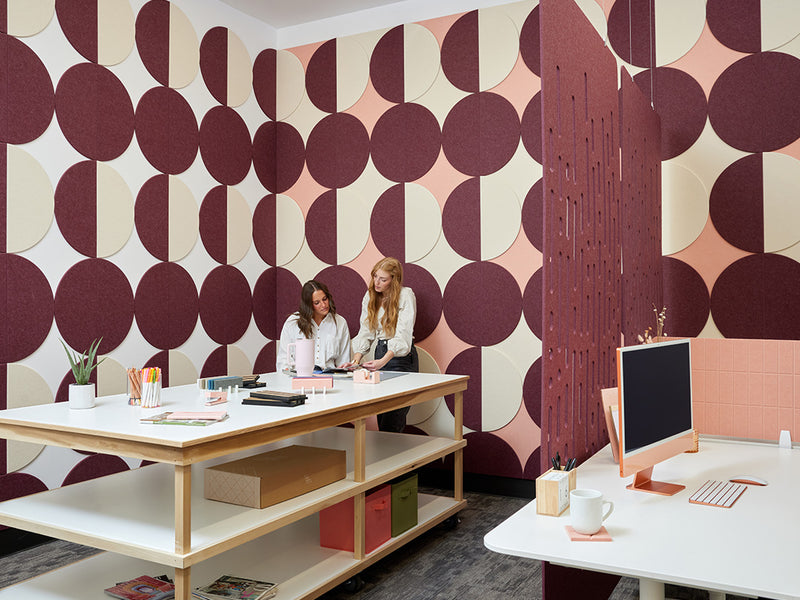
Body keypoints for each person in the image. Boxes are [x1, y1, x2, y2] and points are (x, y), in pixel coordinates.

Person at [344, 257, 418, 432]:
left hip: (401, 358)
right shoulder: (370, 296)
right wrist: (356, 361)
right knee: (382, 418)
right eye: (375, 276)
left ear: (394, 280)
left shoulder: (406, 295)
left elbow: (403, 336)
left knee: (392, 422)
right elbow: (366, 331)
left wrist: (383, 360)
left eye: (383, 279)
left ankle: (397, 458)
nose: (376, 282)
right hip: (381, 353)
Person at [276, 280, 351, 373]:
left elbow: (343, 362)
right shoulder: (292, 323)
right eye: (317, 303)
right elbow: (283, 360)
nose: (323, 305)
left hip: (330, 378)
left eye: (324, 299)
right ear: (308, 305)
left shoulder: (340, 322)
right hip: (299, 377)